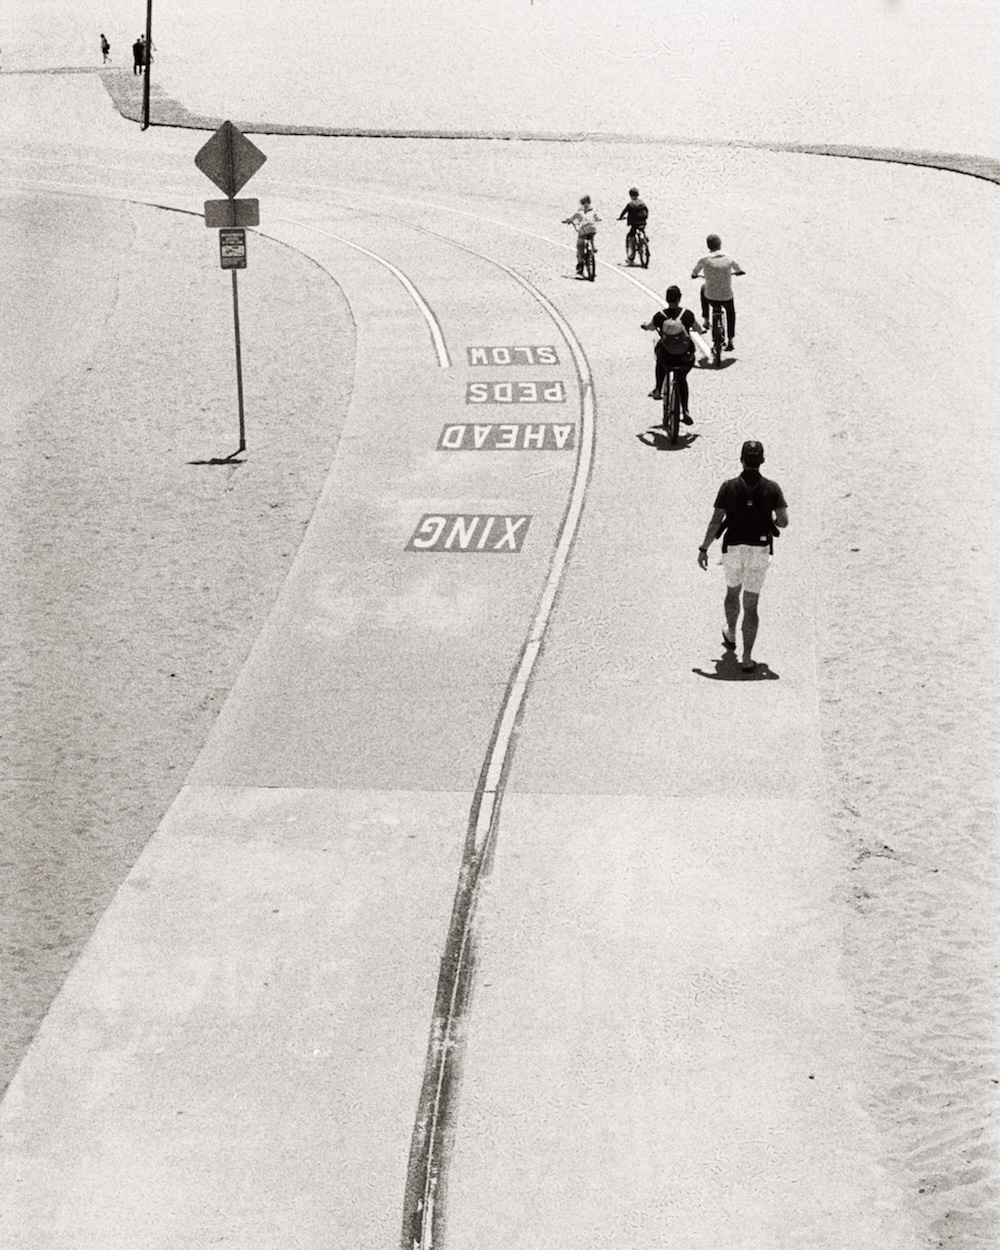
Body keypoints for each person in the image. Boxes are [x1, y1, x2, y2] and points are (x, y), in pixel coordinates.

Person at [697, 440, 789, 672]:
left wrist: (704, 548)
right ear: (762, 461)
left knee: (732, 592)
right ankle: (747, 658)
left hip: (733, 548)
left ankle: (730, 632)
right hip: (759, 550)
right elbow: (783, 521)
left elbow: (716, 521)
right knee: (751, 604)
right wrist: (774, 520)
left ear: (741, 459)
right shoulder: (772, 488)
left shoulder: (728, 487)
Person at [641, 285, 697, 423]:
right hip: (684, 357)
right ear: (679, 298)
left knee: (660, 360)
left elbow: (649, 327)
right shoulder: (687, 314)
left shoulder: (660, 316)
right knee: (682, 378)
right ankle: (685, 411)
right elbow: (698, 329)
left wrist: (644, 326)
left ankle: (658, 389)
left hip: (667, 357)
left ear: (667, 299)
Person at [691, 234, 745, 351]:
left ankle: (706, 319)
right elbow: (738, 268)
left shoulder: (704, 259)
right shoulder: (728, 258)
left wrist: (694, 275)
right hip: (726, 295)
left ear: (708, 246)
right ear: (720, 245)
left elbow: (695, 271)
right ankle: (730, 340)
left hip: (711, 296)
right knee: (730, 313)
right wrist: (739, 272)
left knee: (703, 288)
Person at [562, 196, 600, 277]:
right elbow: (598, 218)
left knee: (580, 244)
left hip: (584, 230)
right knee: (591, 235)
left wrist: (567, 221)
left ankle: (580, 262)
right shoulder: (593, 210)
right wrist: (598, 219)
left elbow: (571, 218)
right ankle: (593, 248)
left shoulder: (580, 212)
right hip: (593, 229)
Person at [617, 187, 649, 261]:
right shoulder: (642, 203)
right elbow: (647, 211)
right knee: (642, 229)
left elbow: (624, 212)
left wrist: (621, 217)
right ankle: (645, 238)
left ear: (630, 195)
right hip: (643, 221)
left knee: (631, 235)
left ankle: (631, 255)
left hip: (634, 223)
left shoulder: (630, 204)